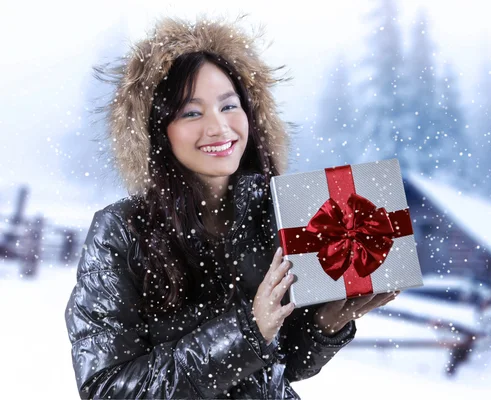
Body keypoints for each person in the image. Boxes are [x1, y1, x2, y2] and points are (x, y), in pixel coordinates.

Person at [64, 14, 400, 399]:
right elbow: (107, 390)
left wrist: (325, 324)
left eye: (229, 106)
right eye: (192, 112)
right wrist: (247, 330)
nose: (219, 127)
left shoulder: (276, 214)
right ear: (157, 129)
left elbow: (280, 366)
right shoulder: (121, 230)